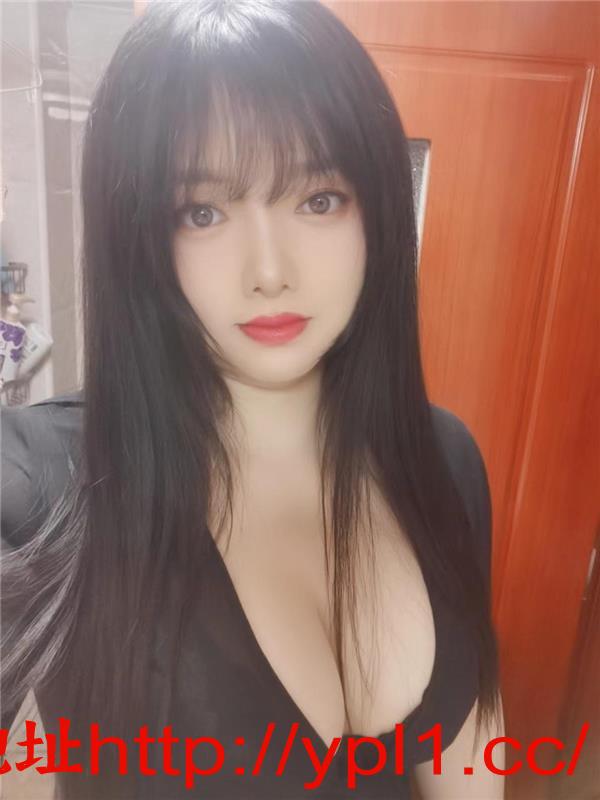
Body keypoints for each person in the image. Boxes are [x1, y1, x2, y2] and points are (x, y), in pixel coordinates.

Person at [0, 1, 505, 798]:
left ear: (377, 211)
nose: (270, 272)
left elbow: (470, 738)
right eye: (202, 213)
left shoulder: (444, 458)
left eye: (318, 199)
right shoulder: (41, 488)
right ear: (138, 234)